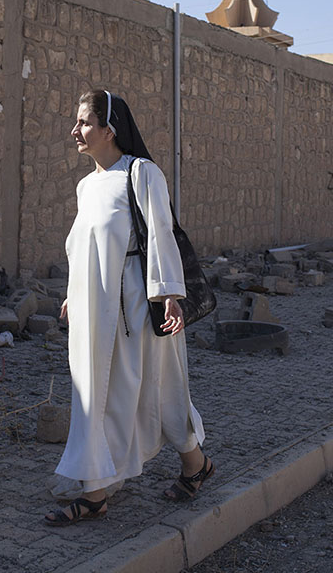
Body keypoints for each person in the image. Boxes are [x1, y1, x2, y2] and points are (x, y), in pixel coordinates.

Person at [43, 90, 214, 527]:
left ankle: (194, 465)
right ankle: (95, 492)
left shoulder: (140, 174)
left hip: (138, 307)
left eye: (83, 122)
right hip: (92, 310)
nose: (75, 130)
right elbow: (83, 246)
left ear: (109, 129)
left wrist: (169, 294)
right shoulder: (86, 186)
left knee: (159, 389)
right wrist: (72, 293)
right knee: (93, 396)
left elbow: (160, 235)